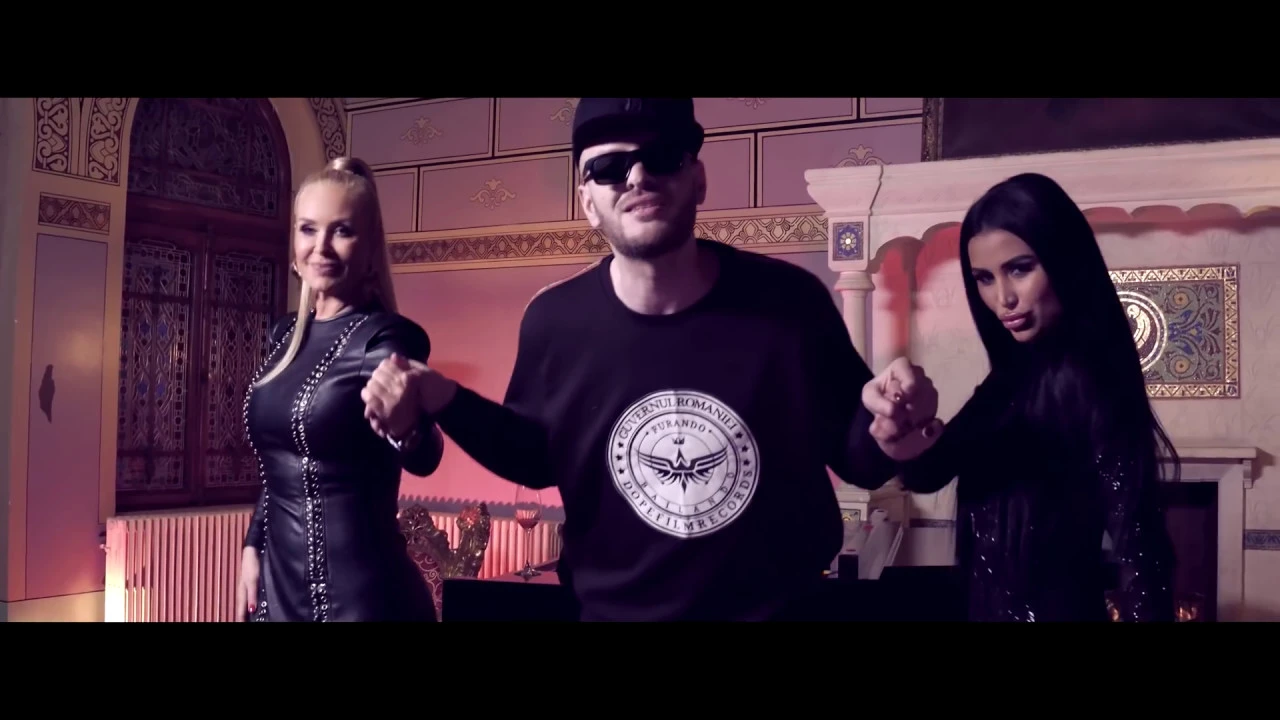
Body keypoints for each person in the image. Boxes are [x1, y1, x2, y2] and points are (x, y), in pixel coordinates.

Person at [362, 98, 941, 621]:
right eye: (609, 168)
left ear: (698, 179)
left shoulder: (791, 303)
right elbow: (538, 458)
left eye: (661, 157)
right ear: (588, 202)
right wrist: (443, 397)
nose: (637, 177)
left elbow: (860, 458)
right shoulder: (553, 322)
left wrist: (891, 433)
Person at [867, 172, 1177, 622]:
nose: (1003, 298)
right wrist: (904, 430)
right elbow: (930, 472)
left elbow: (1141, 548)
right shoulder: (1011, 376)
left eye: (1020, 269)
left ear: (1064, 260)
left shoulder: (1093, 379)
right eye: (984, 278)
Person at [235, 156, 445, 622]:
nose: (321, 247)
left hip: (361, 600)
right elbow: (281, 465)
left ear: (369, 246)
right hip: (276, 591)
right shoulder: (283, 337)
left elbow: (427, 455)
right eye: (308, 229)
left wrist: (406, 428)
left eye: (342, 231)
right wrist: (252, 545)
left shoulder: (386, 338)